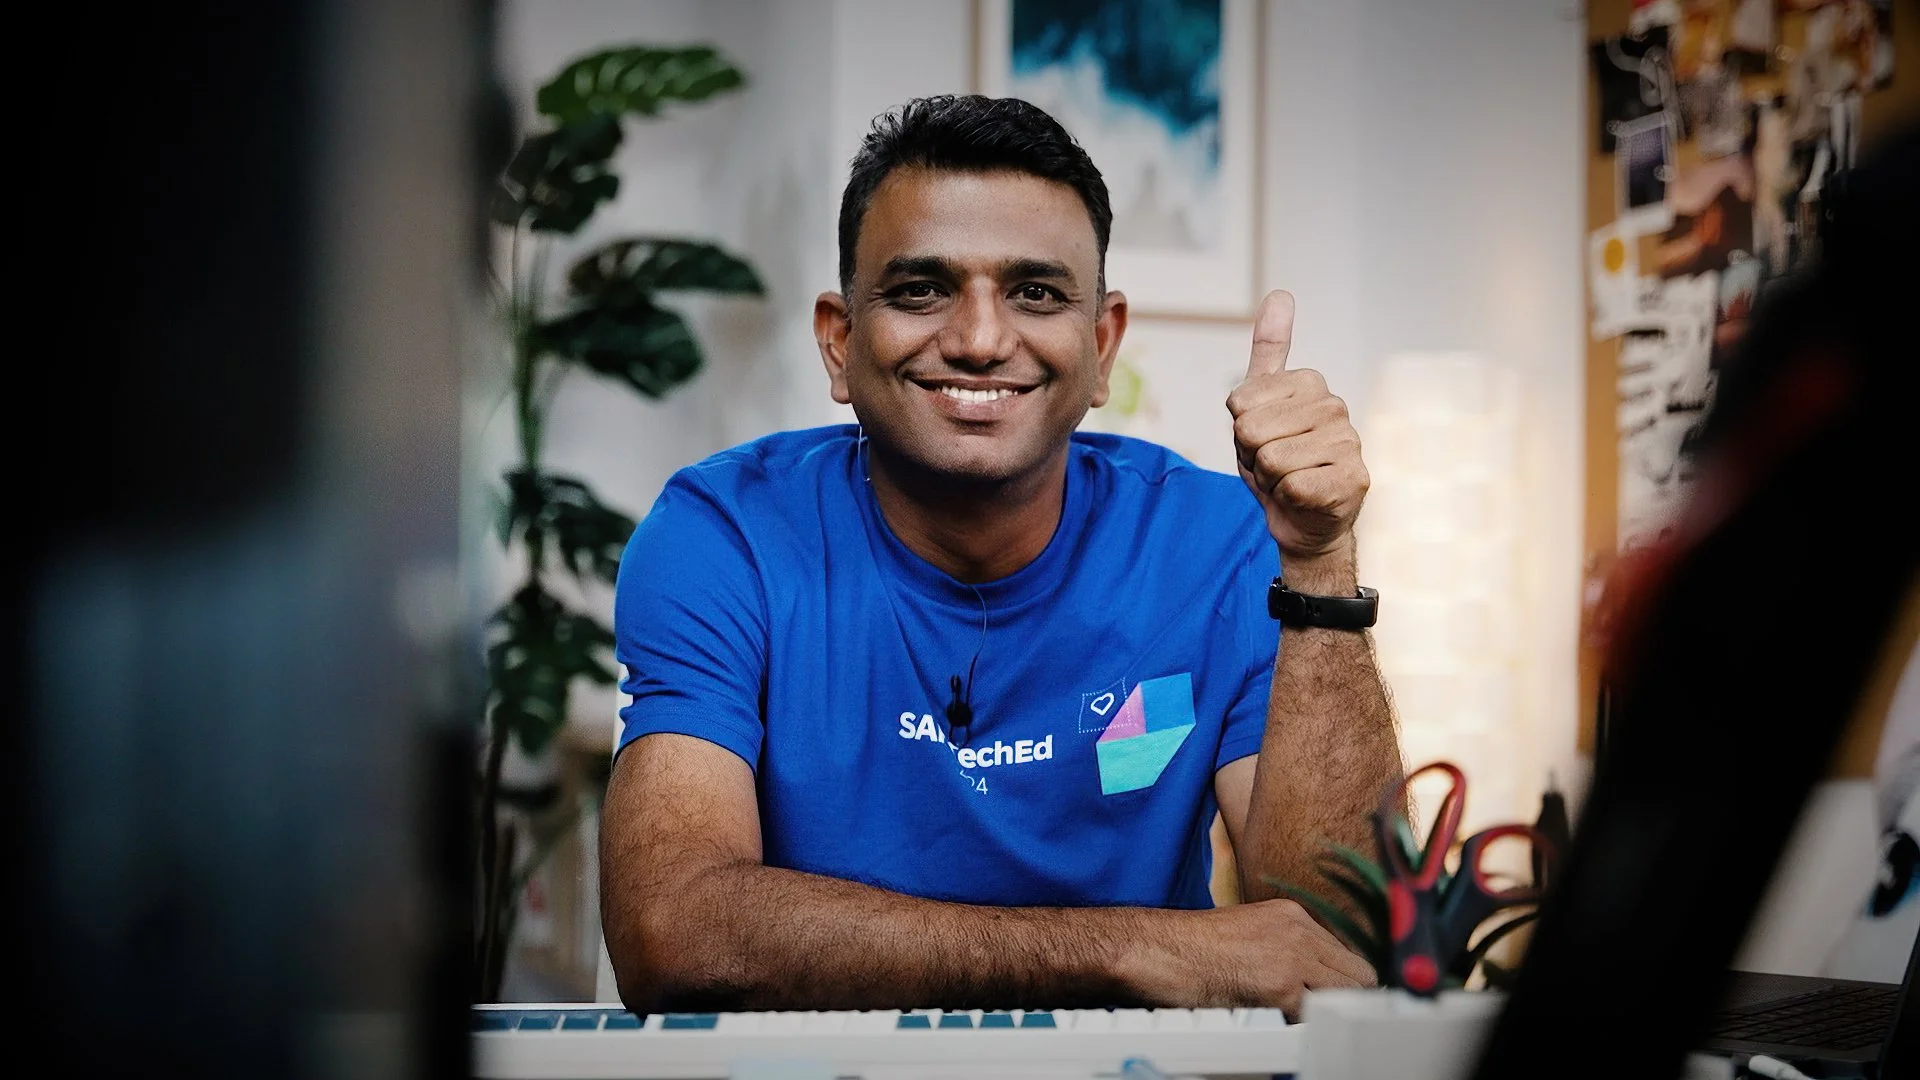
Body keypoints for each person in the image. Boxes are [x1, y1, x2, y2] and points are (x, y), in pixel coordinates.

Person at [600, 95, 1400, 1016]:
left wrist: (1320, 562)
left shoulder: (1220, 544)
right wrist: (1128, 951)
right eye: (920, 290)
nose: (980, 341)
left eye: (1036, 294)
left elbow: (1340, 953)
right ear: (839, 341)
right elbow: (673, 930)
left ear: (1101, 346)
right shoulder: (727, 533)